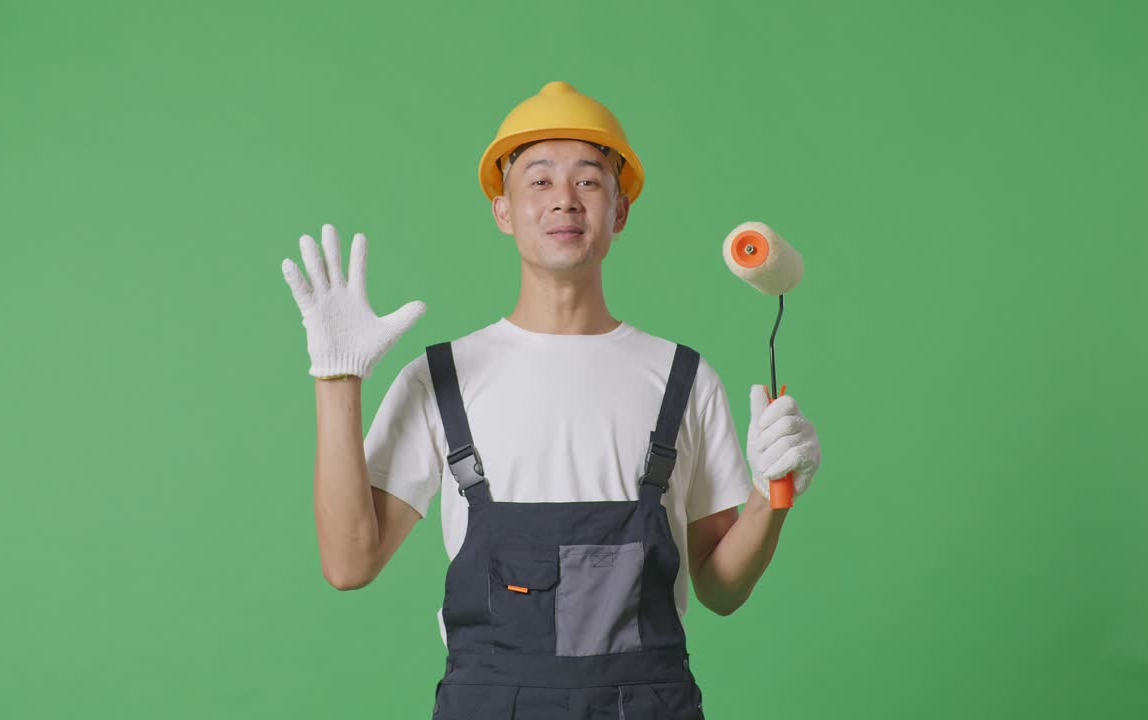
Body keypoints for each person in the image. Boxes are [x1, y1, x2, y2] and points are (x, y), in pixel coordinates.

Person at [281, 81, 822, 719]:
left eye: (589, 181)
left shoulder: (684, 378)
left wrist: (770, 497)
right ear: (502, 210)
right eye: (538, 180)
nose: (564, 199)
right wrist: (338, 380)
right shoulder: (443, 378)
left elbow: (722, 589)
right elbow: (349, 562)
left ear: (619, 211)